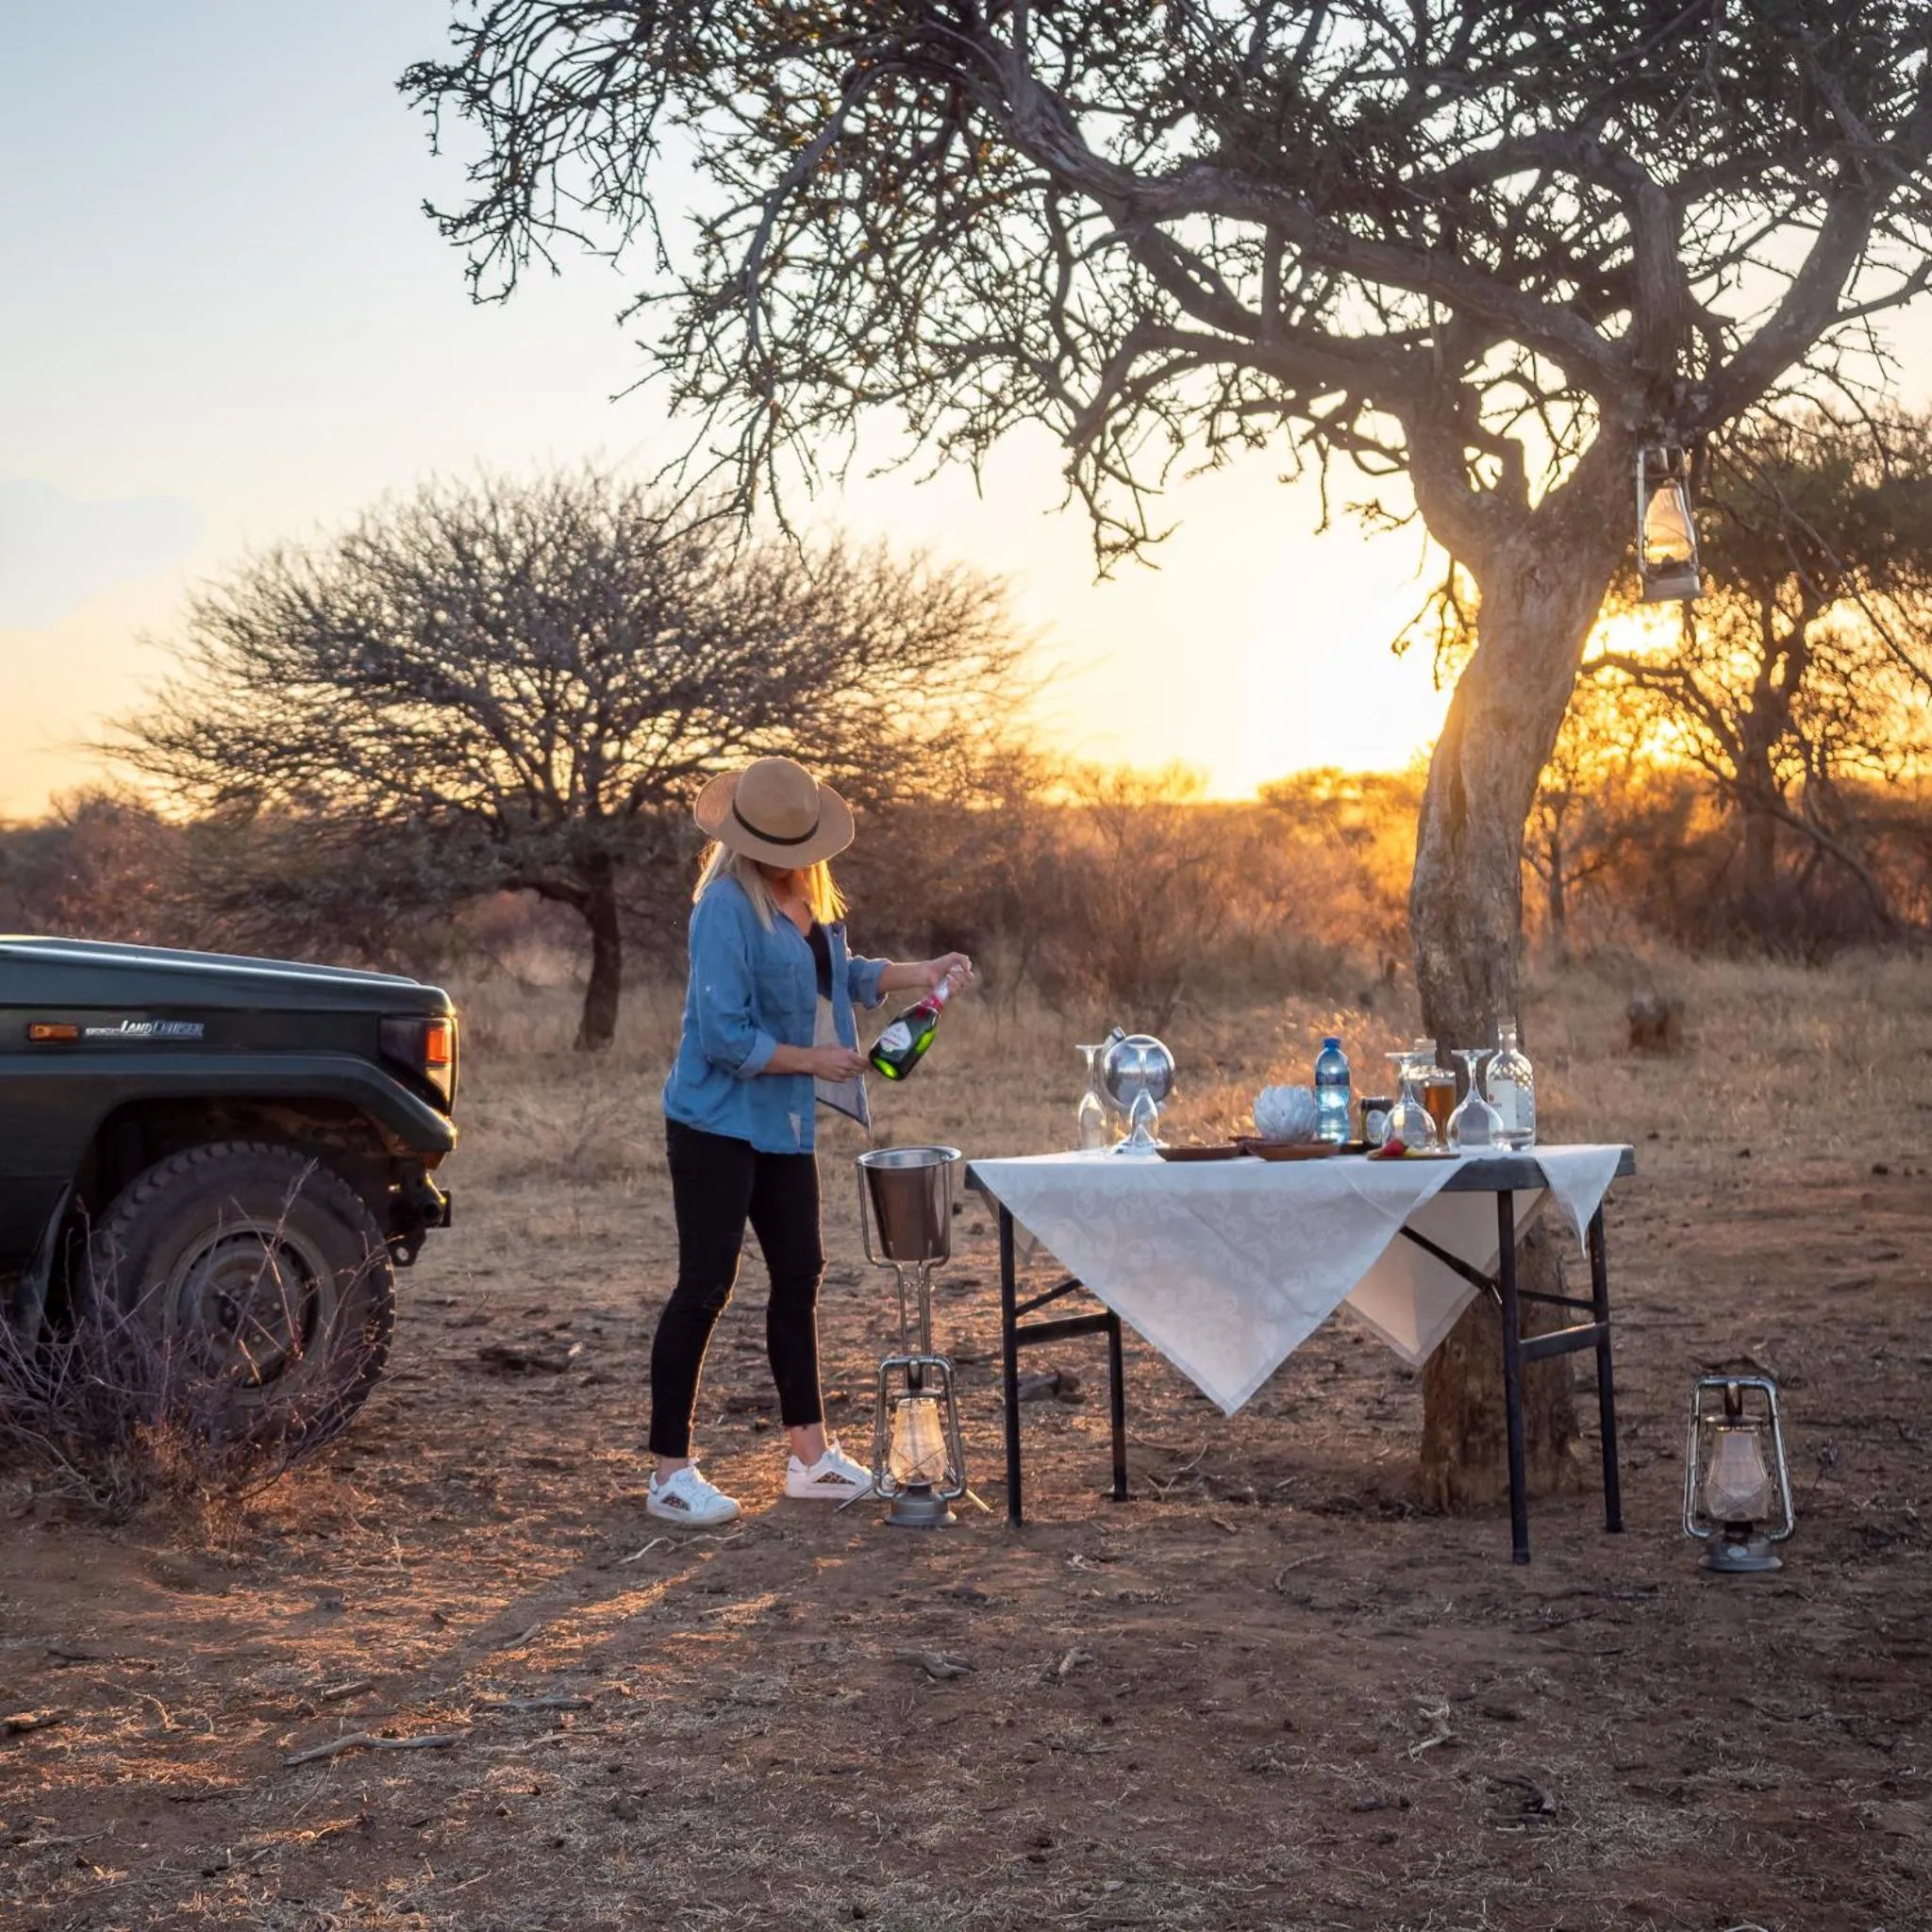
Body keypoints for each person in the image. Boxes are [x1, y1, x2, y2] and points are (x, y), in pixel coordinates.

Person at [646, 755, 973, 1525]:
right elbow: (724, 1037)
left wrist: (923, 969)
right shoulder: (723, 907)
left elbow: (844, 971)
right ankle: (669, 1472)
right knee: (705, 1286)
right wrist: (816, 1059)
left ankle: (810, 1459)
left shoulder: (805, 897)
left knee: (800, 1273)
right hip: (714, 1121)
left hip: (782, 1123)